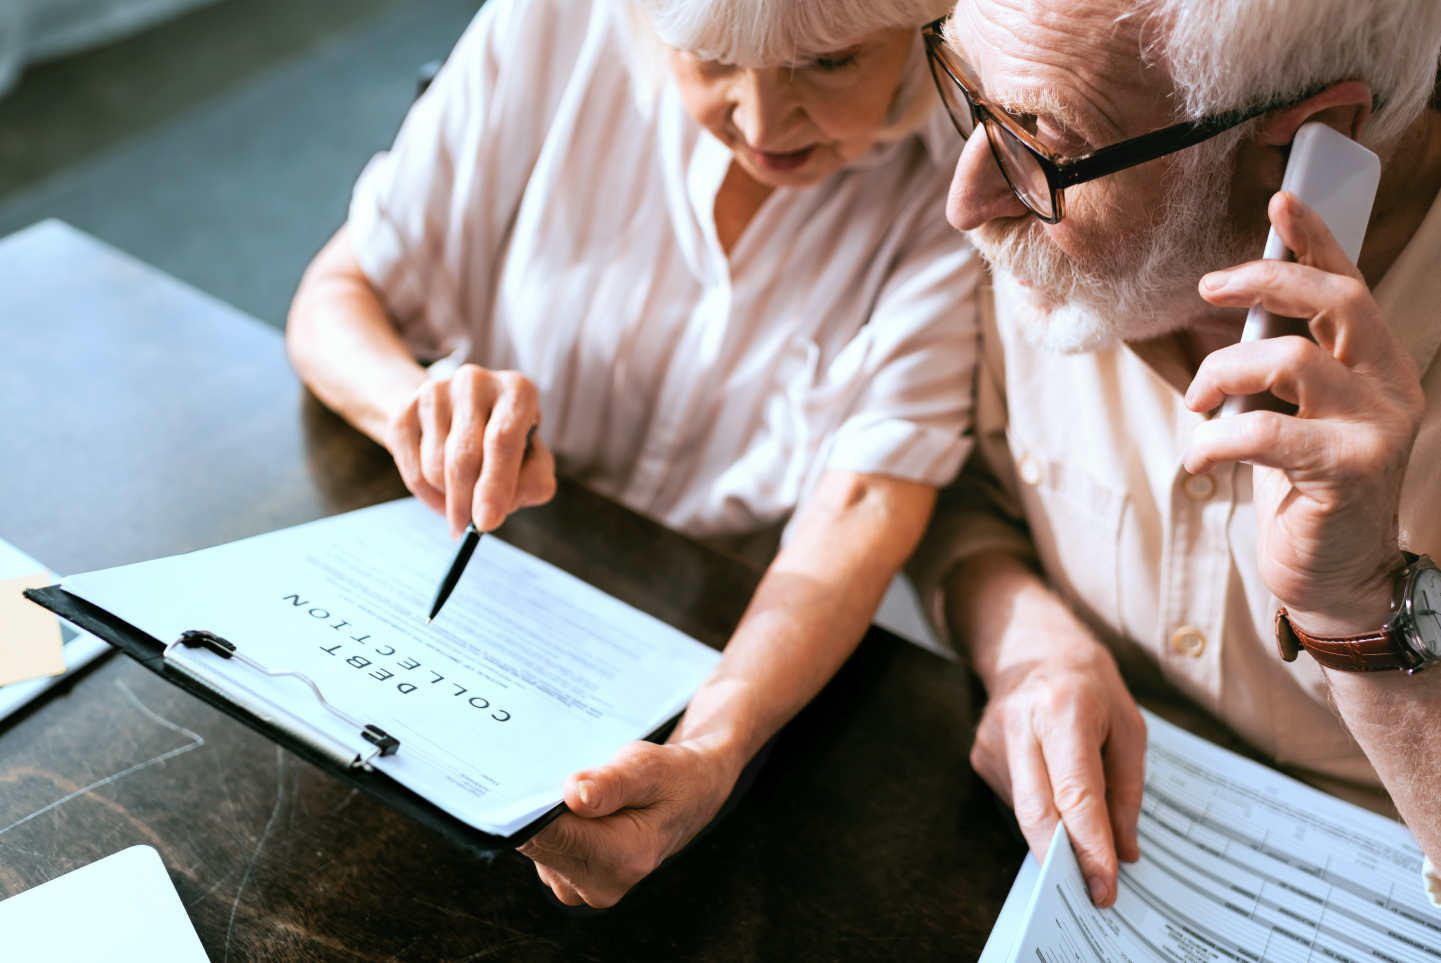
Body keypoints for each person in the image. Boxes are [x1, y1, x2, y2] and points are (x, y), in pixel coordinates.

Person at [286, 0, 978, 908]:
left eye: (830, 63)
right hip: (483, 581)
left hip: (723, 636)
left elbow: (862, 505)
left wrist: (712, 747)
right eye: (710, 59)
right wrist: (414, 406)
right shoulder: (550, 26)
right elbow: (340, 289)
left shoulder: (971, 164)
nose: (762, 122)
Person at [913, 0, 1441, 910]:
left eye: (1043, 144)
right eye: (966, 92)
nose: (965, 202)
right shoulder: (1036, 225)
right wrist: (1026, 641)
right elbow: (960, 491)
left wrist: (1358, 604)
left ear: (1307, 140)